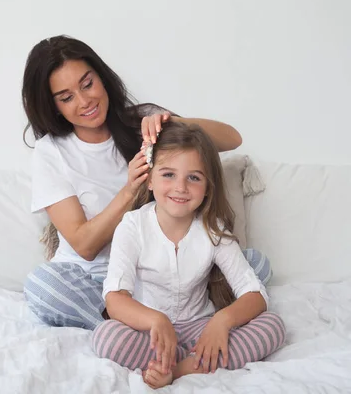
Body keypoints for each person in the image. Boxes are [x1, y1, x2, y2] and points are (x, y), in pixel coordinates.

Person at [21, 34, 268, 330]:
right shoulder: (51, 152)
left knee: (256, 264)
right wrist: (130, 191)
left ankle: (149, 325)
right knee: (42, 287)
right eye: (67, 97)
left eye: (88, 84)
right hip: (94, 280)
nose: (85, 101)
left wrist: (171, 123)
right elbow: (84, 245)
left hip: (157, 275)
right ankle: (135, 323)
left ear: (102, 77)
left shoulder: (141, 122)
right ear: (53, 106)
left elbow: (232, 139)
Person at [92, 122, 285, 389]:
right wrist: (155, 320)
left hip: (200, 329)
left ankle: (180, 368)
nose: (180, 187)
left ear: (208, 186)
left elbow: (255, 294)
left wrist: (222, 321)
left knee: (272, 325)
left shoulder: (213, 229)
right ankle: (197, 361)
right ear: (149, 179)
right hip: (149, 332)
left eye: (193, 177)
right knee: (106, 337)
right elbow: (115, 299)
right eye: (168, 174)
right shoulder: (132, 226)